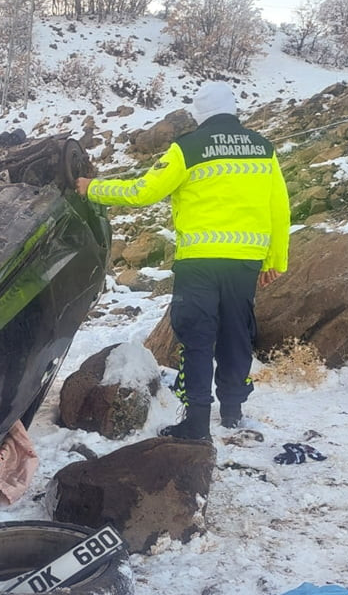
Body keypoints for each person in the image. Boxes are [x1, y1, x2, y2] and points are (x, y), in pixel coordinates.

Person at [76, 81, 290, 441]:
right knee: (237, 336)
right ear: (232, 109)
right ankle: (234, 413)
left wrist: (92, 189)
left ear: (199, 113)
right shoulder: (262, 148)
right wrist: (275, 259)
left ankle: (196, 421)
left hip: (200, 262)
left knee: (197, 338)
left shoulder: (187, 148)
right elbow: (279, 209)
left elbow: (144, 191)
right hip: (245, 261)